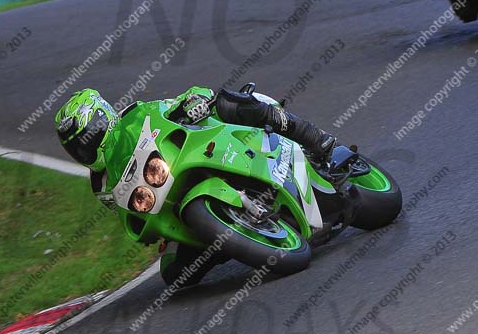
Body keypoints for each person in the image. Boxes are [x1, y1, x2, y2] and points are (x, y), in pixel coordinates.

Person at [55, 86, 335, 285]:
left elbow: (174, 102)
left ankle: (312, 137)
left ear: (103, 117)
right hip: (170, 202)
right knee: (174, 274)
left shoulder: (137, 113)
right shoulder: (100, 184)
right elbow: (128, 213)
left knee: (229, 102)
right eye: (77, 148)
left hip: (201, 146)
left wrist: (194, 100)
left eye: (87, 138)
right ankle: (228, 240)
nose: (85, 148)